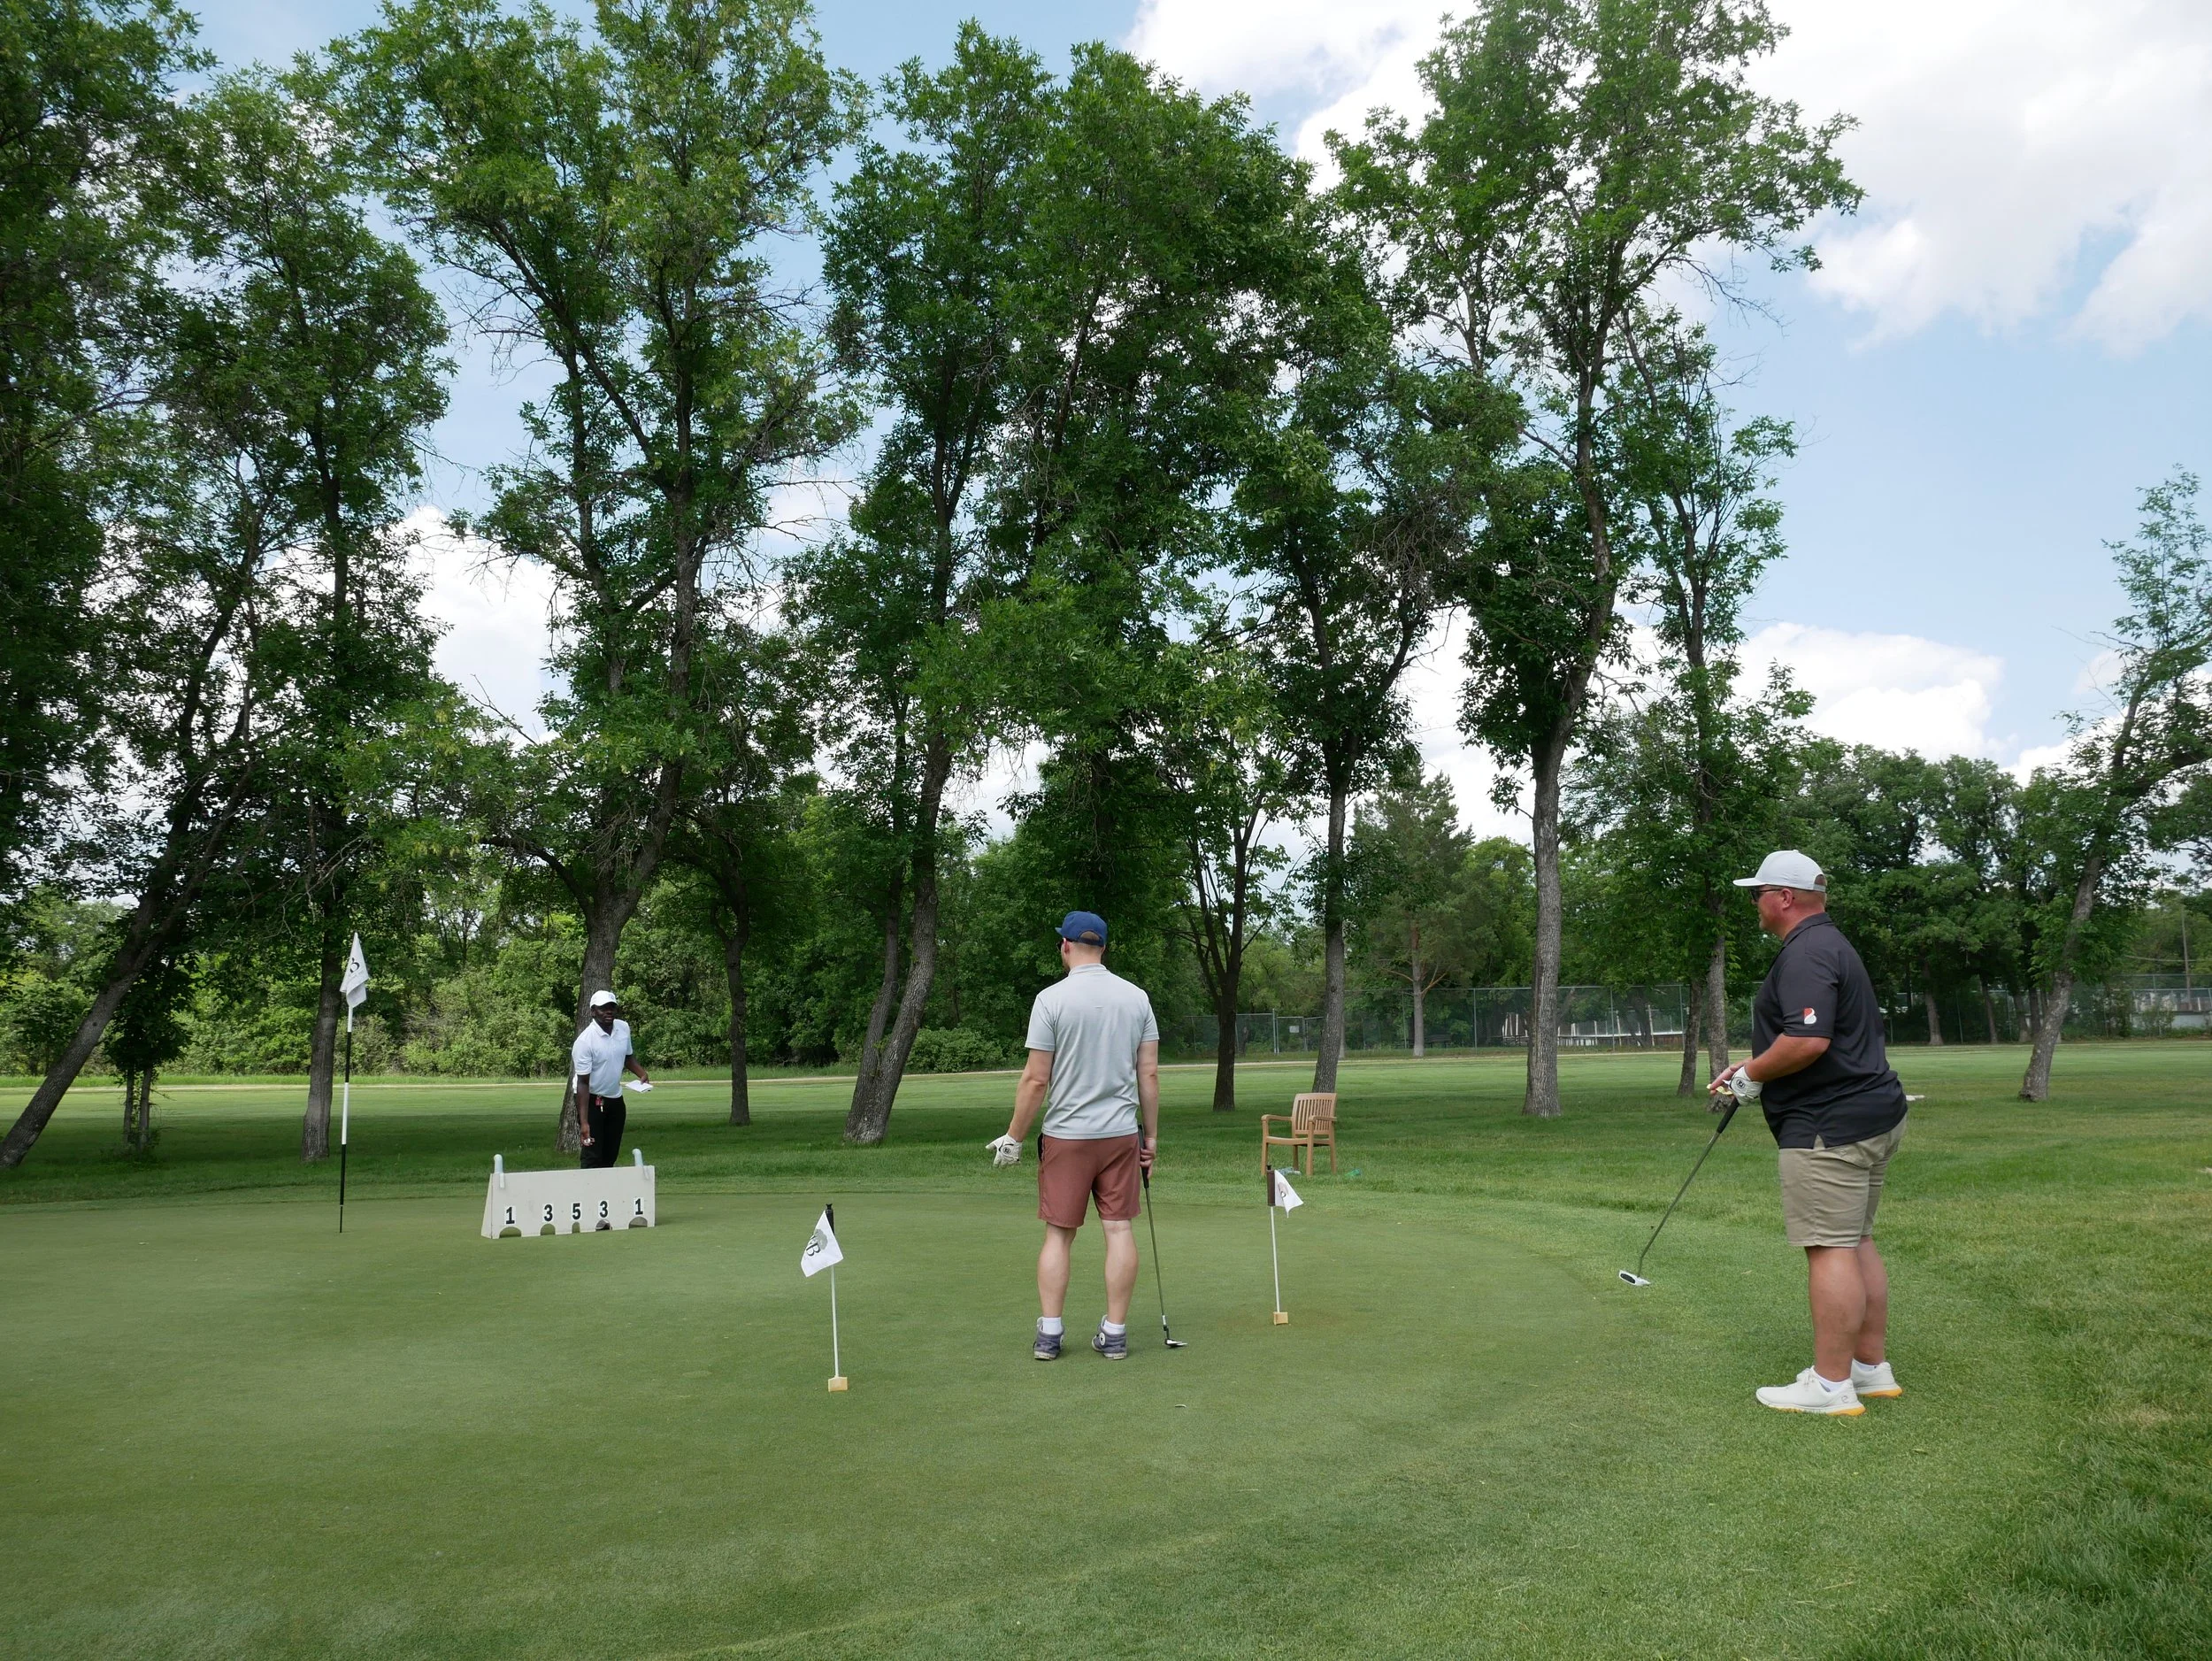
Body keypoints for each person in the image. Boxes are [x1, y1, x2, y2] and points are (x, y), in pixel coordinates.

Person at [1712, 850, 1909, 1417]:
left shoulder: (1806, 952)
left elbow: (1806, 1041)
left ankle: (1829, 1386)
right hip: (1871, 1114)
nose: (1755, 903)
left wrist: (1748, 1075)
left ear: (1784, 897)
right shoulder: (1831, 944)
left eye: (1757, 893)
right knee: (1856, 1240)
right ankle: (1870, 1370)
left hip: (1829, 1126)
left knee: (1829, 1249)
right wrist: (1752, 1072)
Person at [987, 911, 1161, 1361]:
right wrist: (1152, 1139)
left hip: (1067, 1135)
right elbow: (1150, 1074)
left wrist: (1014, 1137)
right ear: (1103, 947)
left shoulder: (1050, 999)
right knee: (1119, 1228)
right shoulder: (1136, 998)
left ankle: (1049, 1335)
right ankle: (1115, 1334)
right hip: (1121, 1134)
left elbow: (1035, 1080)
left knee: (1059, 1235)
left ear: (1065, 946)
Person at [572, 989, 651, 1173]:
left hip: (615, 1099)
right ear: (593, 1011)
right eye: (602, 1008)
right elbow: (583, 1083)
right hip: (591, 1100)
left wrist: (641, 1073)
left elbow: (627, 1057)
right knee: (592, 1155)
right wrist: (584, 1123)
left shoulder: (623, 1028)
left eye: (611, 1007)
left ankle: (605, 1195)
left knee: (610, 1153)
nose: (608, 1011)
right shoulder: (585, 1041)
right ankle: (588, 1195)